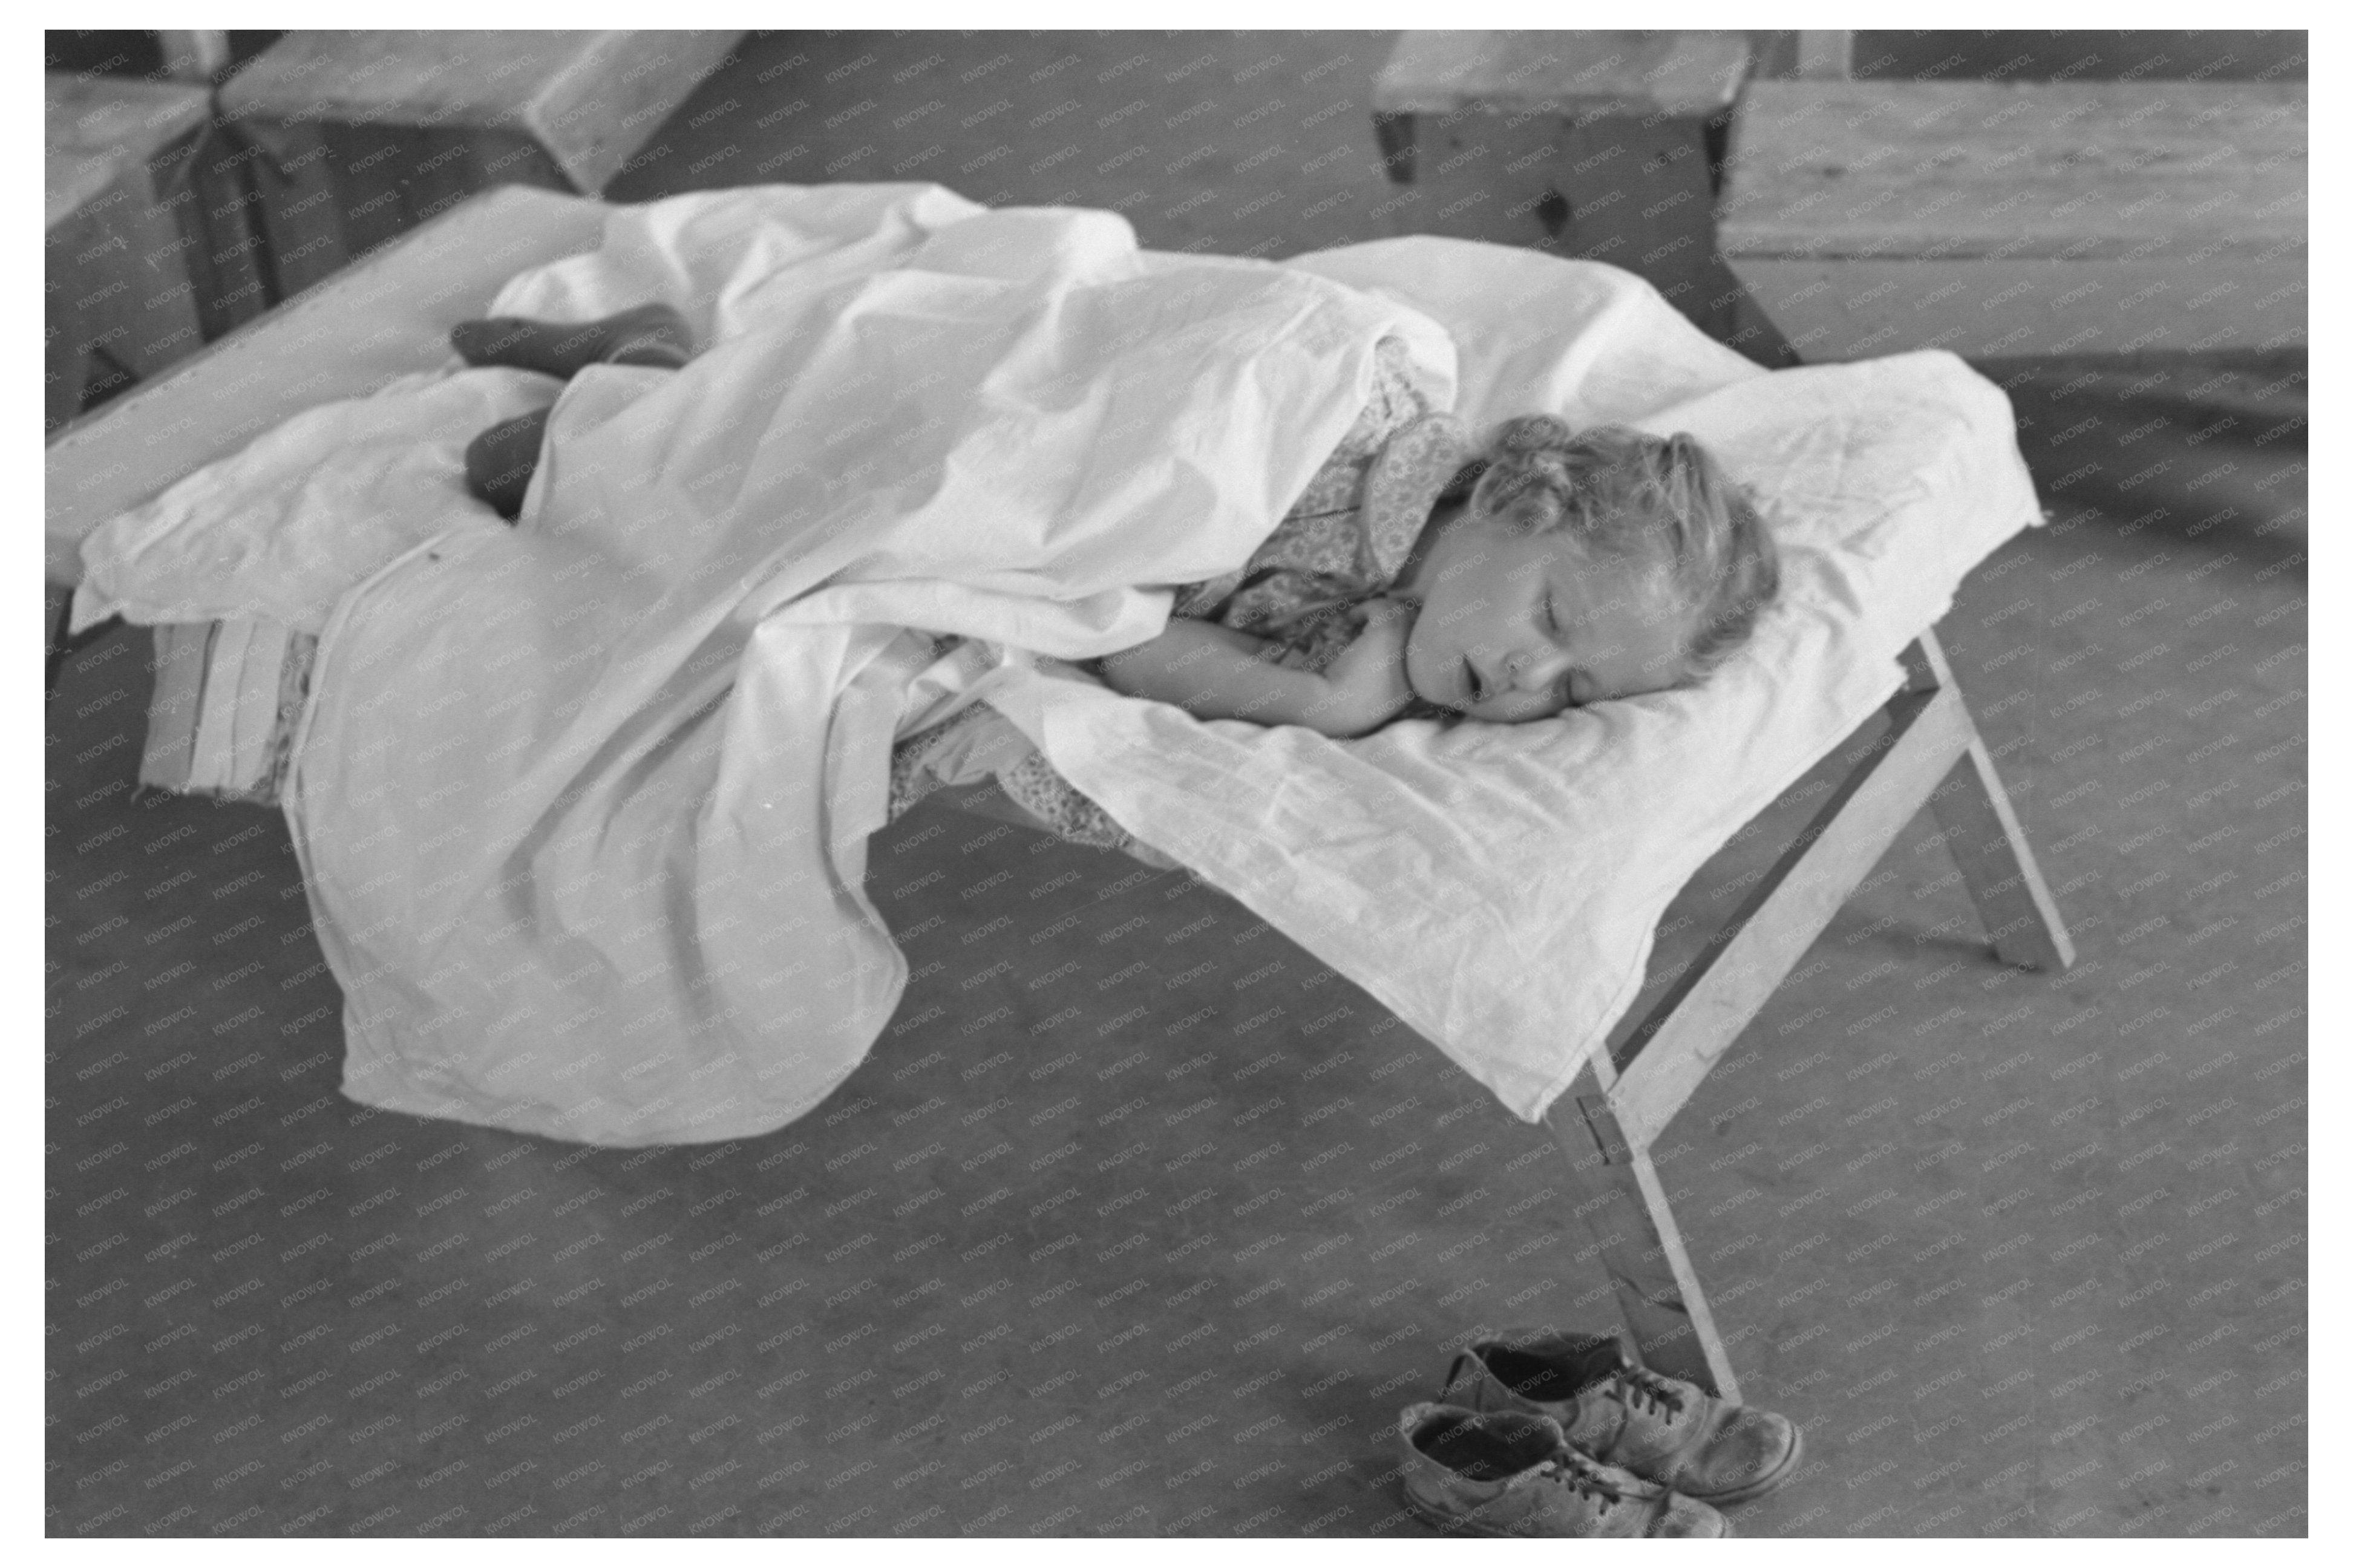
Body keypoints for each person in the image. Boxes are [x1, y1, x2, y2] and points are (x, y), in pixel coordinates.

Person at [445, 304, 1780, 849]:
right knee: (877, 421)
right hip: (1046, 414)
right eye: (1550, 616)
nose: (1525, 680)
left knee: (776, 498)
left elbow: (1126, 643)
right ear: (1509, 499)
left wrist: (1320, 710)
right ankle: (670, 371)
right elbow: (1165, 400)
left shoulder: (1338, 644)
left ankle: (651, 392)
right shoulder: (1376, 431)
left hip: (1081, 534)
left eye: (1574, 689)